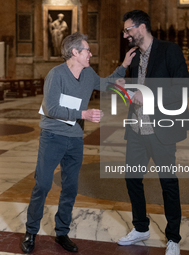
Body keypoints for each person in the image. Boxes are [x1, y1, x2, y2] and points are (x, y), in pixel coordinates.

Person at [21, 32, 136, 254]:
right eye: (87, 51)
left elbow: (107, 84)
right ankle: (31, 231)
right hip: (52, 137)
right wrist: (83, 112)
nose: (91, 54)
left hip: (75, 140)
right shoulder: (56, 75)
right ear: (75, 52)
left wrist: (123, 65)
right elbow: (50, 108)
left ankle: (62, 232)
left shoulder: (88, 73)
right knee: (43, 185)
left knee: (70, 188)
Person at [117, 10, 189, 255]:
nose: (125, 34)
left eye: (128, 29)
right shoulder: (135, 57)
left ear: (141, 27)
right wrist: (122, 85)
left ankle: (173, 238)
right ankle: (140, 228)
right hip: (137, 130)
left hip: (161, 131)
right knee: (132, 179)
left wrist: (148, 96)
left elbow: (182, 90)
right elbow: (135, 93)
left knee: (168, 183)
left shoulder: (170, 50)